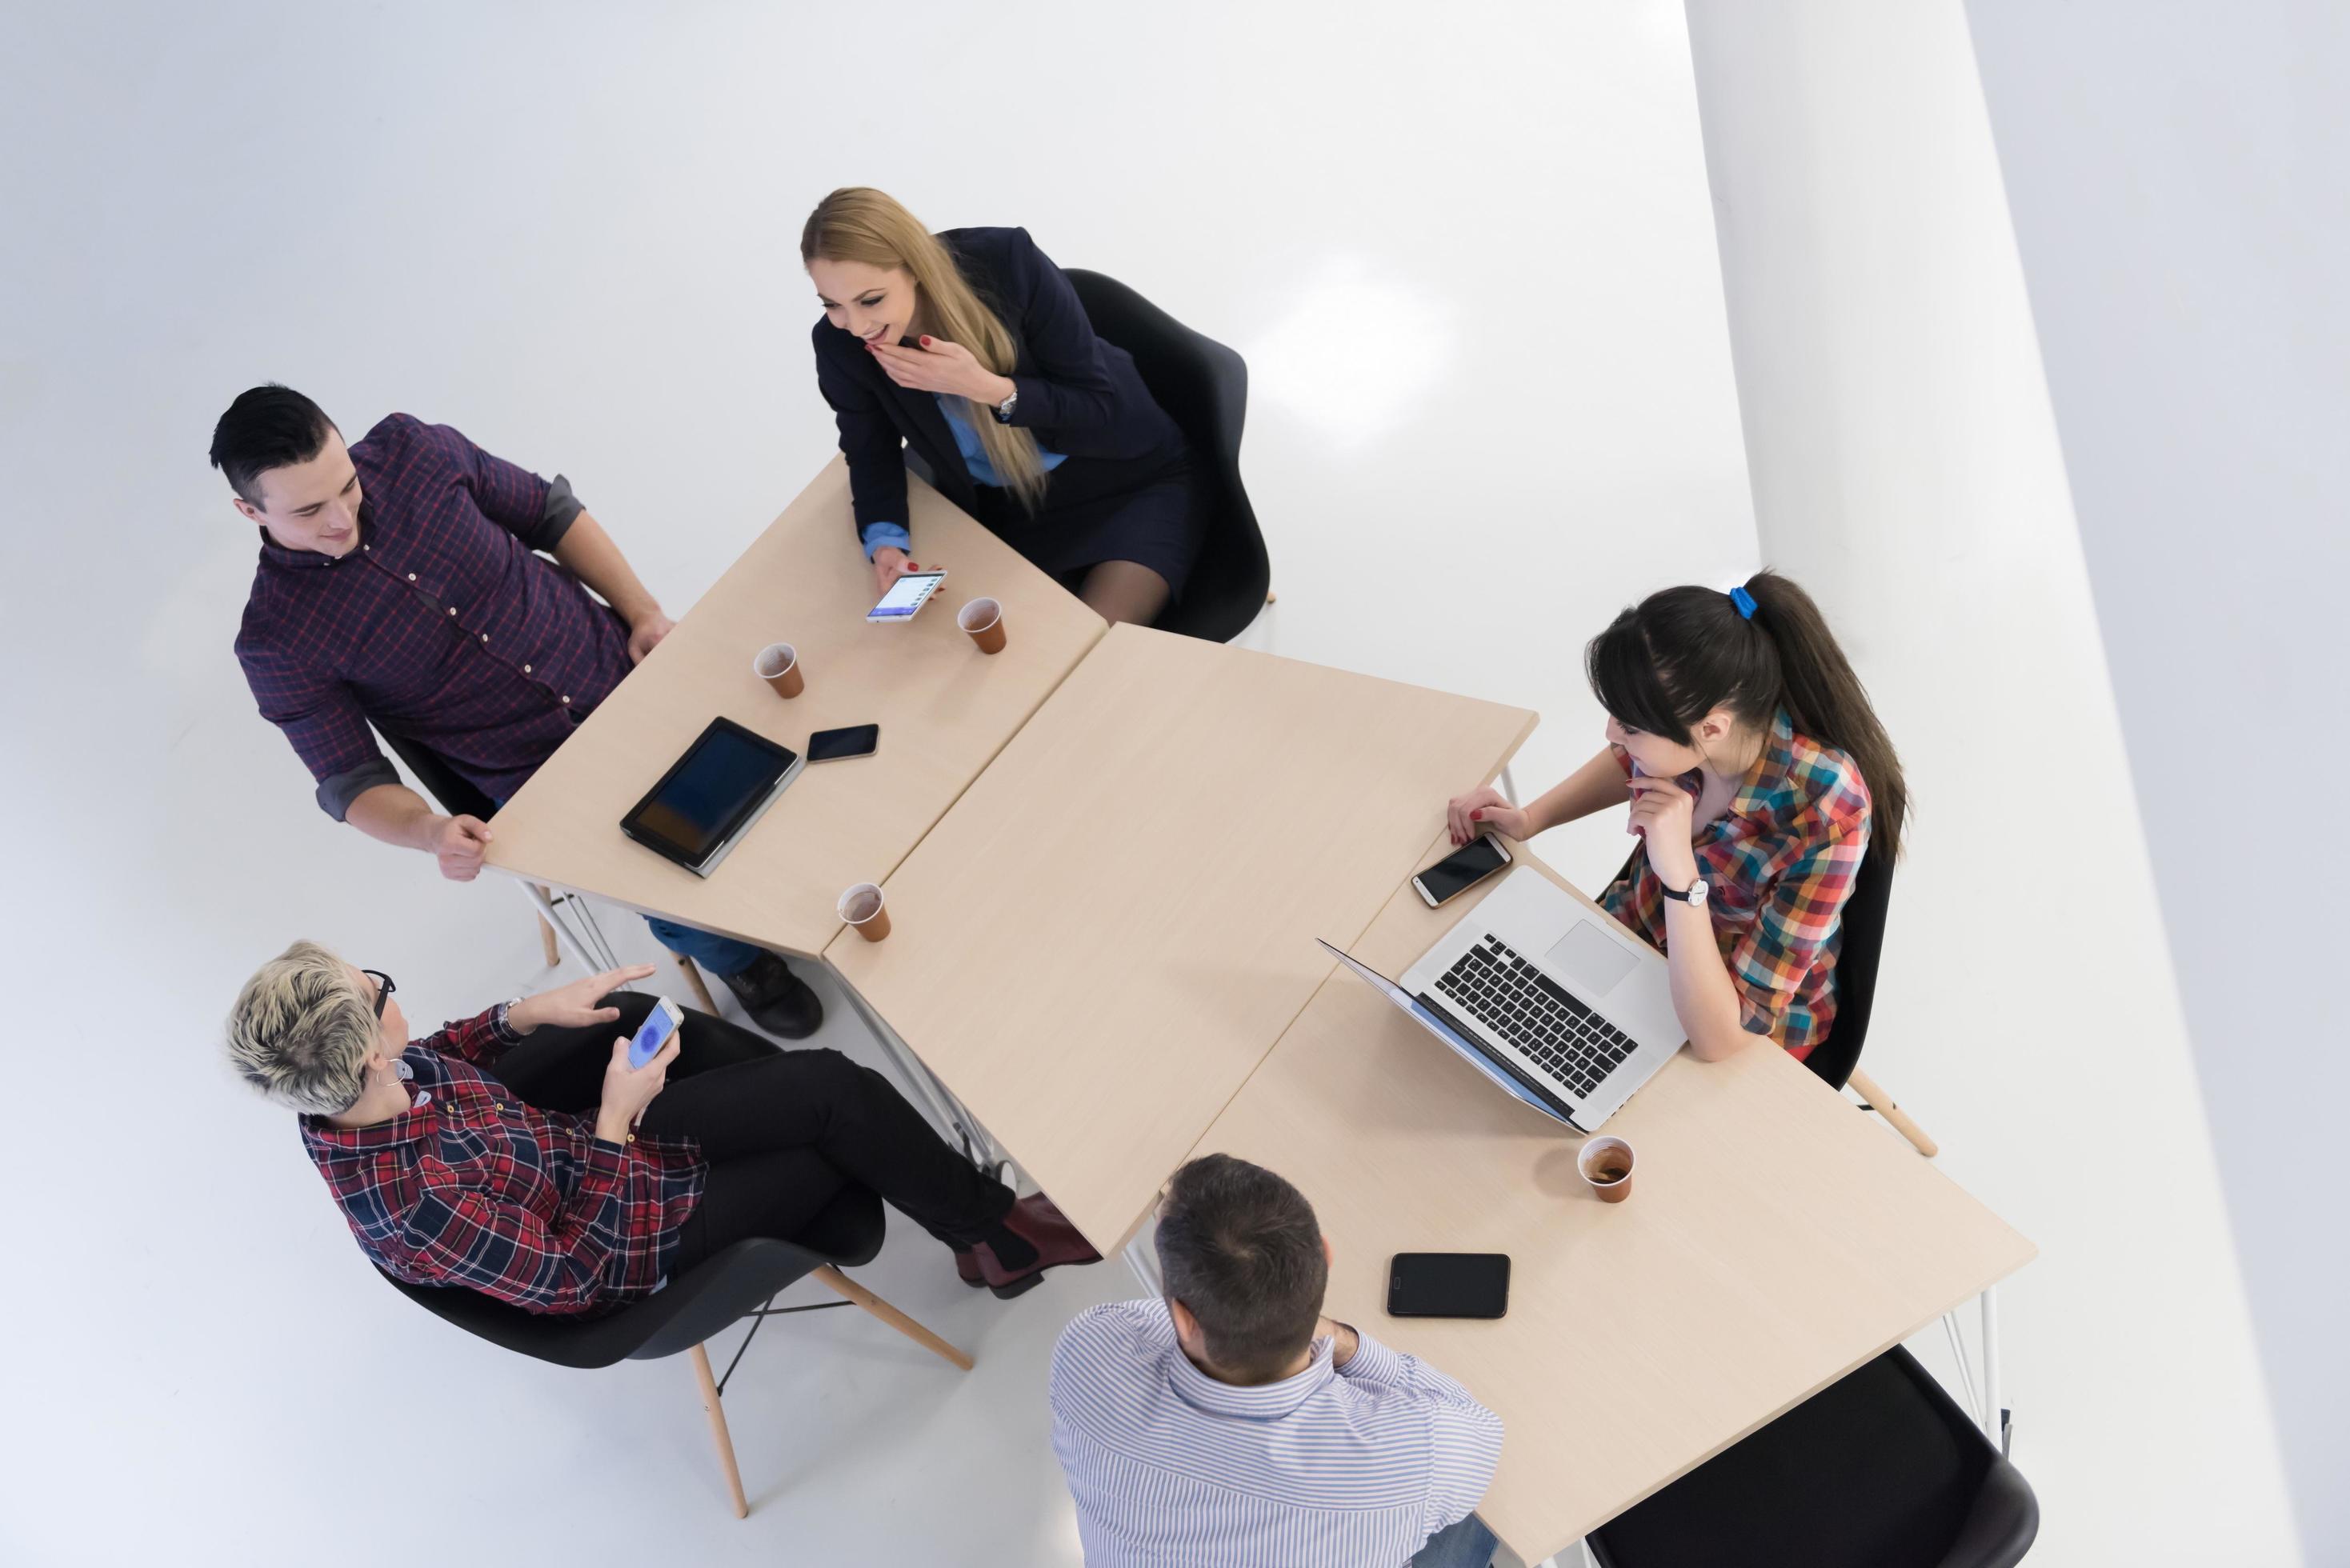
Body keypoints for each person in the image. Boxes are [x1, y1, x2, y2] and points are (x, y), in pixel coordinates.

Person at [214, 384, 823, 1038]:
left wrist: (642, 611)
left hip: (619, 670)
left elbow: (551, 514)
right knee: (661, 865)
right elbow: (351, 782)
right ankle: (745, 962)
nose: (341, 517)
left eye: (348, 485)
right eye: (309, 511)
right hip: (540, 778)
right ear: (249, 510)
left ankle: (810, 881)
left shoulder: (415, 449)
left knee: (777, 753)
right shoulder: (277, 640)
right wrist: (429, 832)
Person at [224, 944, 1100, 1309]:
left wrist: (525, 1015)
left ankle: (991, 1233)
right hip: (631, 1240)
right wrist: (610, 1120)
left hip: (586, 1147)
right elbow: (575, 1279)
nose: (389, 986)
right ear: (368, 1056)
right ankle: (999, 1237)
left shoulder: (352, 1088)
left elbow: (443, 1051)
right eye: (378, 990)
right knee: (835, 1135)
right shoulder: (416, 1206)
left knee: (831, 1085)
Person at [1445, 571, 1907, 1063]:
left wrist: (1680, 877)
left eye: (1630, 725)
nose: (1611, 733)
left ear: (1711, 729)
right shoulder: (1693, 736)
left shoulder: (1828, 810)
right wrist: (1530, 819)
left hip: (1735, 1015)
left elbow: (1725, 1037)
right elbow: (1630, 756)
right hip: (1640, 932)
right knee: (1494, 1023)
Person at [1051, 1154, 1502, 1568]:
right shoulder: (1415, 1451)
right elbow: (1480, 1430)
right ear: (1325, 1255)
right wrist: (1343, 1341)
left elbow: (1166, 1319)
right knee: (1480, 1514)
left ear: (1187, 1320)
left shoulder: (1089, 1349)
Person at [801, 186, 1201, 628]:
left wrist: (987, 388)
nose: (856, 327)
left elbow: (1097, 407)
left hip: (1125, 478)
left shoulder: (1007, 262)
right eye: (832, 305)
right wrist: (885, 544)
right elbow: (870, 451)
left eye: (871, 300)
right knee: (986, 658)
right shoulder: (839, 346)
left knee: (1089, 653)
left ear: (913, 268)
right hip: (1011, 511)